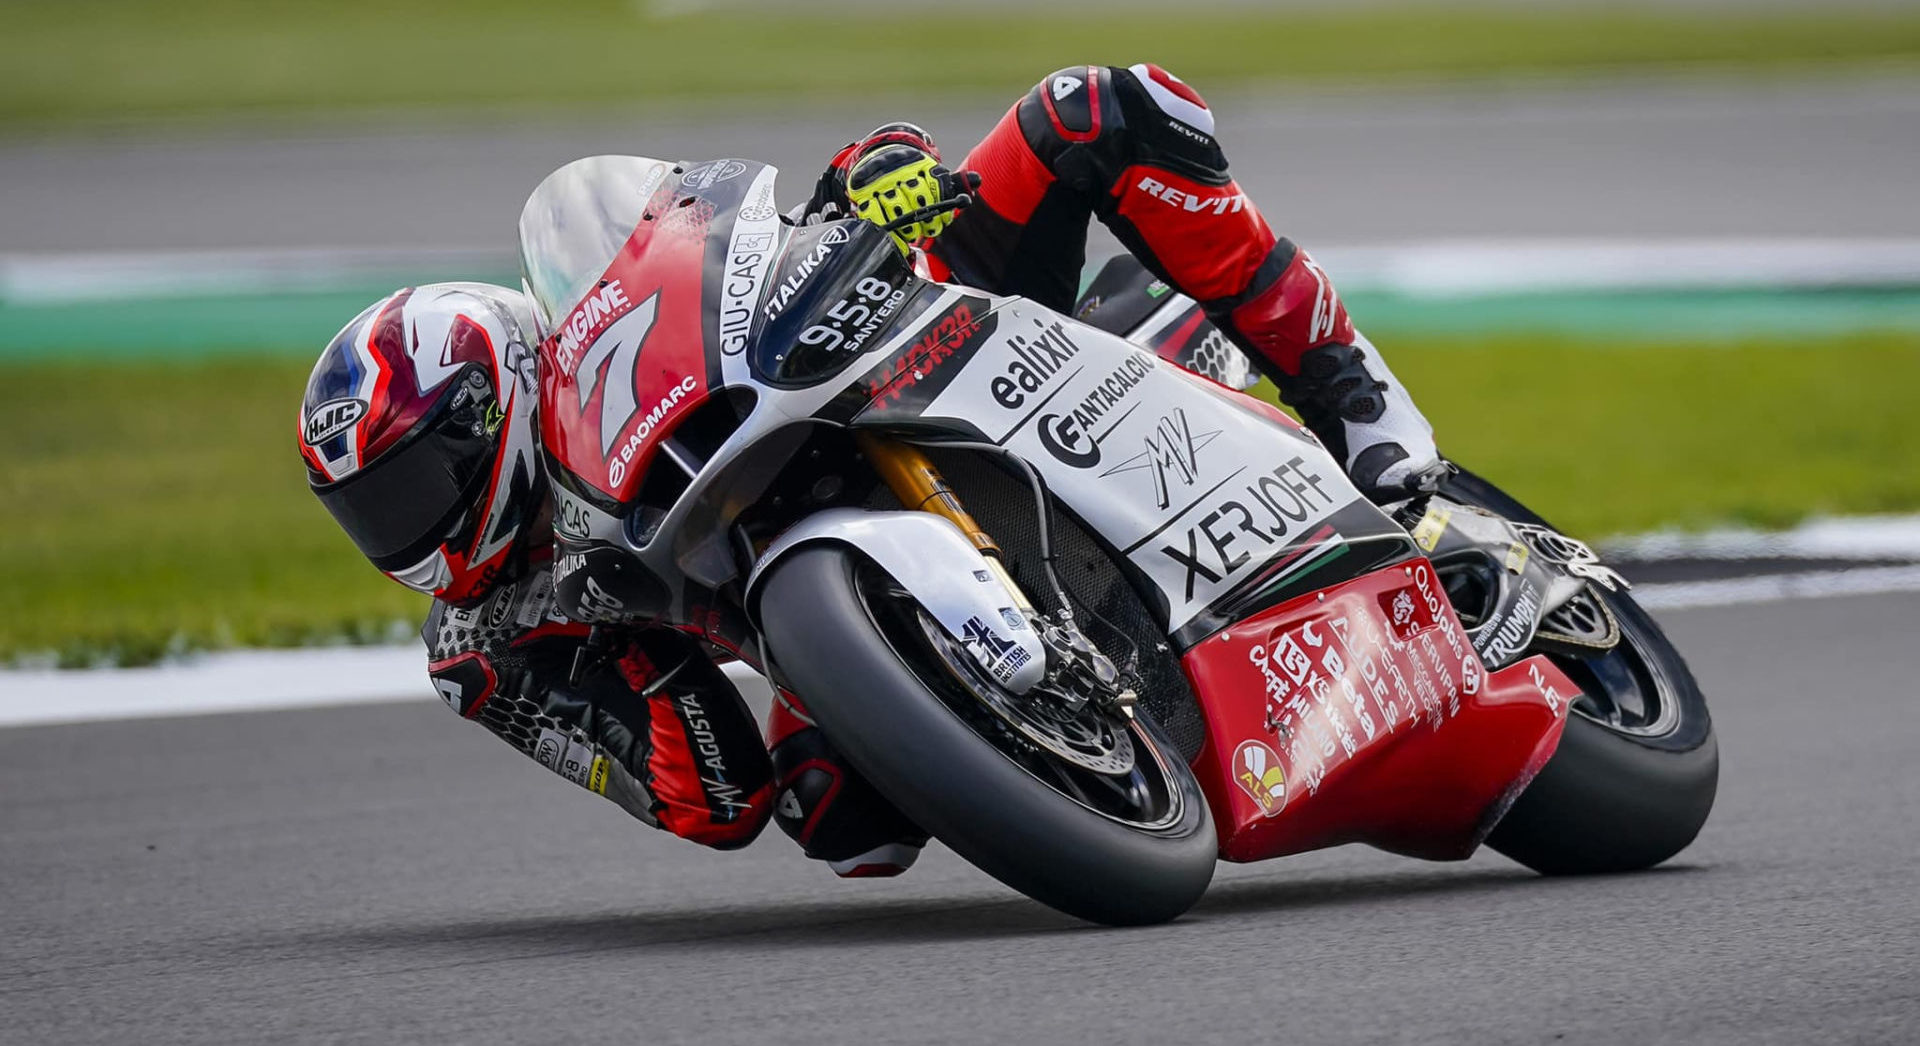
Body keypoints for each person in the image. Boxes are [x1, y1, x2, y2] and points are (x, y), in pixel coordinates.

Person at [296, 63, 1443, 881]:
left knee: (1094, 110)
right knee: (842, 822)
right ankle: (1086, 705)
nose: (410, 530)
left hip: (913, 342)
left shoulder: (605, 349)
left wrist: (879, 174)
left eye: (414, 482)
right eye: (370, 510)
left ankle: (1356, 396)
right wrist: (617, 665)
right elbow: (714, 798)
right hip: (805, 603)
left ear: (497, 400)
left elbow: (758, 229)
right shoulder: (483, 642)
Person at [802, 63, 1444, 503]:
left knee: (1084, 107)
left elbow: (793, 201)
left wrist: (862, 175)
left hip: (929, 317)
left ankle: (1351, 395)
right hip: (792, 431)